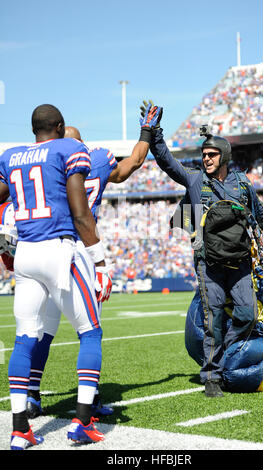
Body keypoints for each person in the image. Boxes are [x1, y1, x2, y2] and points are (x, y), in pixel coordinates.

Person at [0, 102, 161, 449]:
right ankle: (84, 418)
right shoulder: (83, 156)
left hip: (27, 253)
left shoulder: (16, 156)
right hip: (66, 250)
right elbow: (82, 211)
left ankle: (21, 425)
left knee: (29, 336)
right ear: (61, 132)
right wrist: (101, 263)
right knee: (90, 331)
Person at [145, 104, 263, 398]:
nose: (206, 159)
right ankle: (211, 378)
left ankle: (225, 360)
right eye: (203, 155)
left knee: (247, 315)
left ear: (224, 156)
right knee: (212, 320)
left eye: (211, 155)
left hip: (240, 264)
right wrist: (154, 133)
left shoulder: (242, 183)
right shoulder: (196, 180)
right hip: (208, 264)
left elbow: (261, 215)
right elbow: (167, 162)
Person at [25, 124, 151, 420]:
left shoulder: (46, 161)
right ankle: (89, 400)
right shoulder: (97, 158)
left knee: (43, 331)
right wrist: (147, 132)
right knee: (89, 330)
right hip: (82, 250)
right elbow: (132, 163)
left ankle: (31, 395)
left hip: (46, 247)